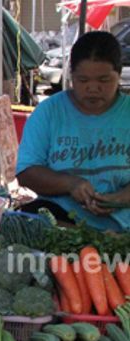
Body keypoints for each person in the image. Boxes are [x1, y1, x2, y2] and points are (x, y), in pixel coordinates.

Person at [16, 31, 130, 232]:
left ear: (119, 75)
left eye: (103, 80)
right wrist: (70, 184)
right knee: (24, 220)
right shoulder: (49, 112)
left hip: (123, 219)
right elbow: (26, 172)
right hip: (64, 218)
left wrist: (119, 198)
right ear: (71, 77)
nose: (93, 88)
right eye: (83, 80)